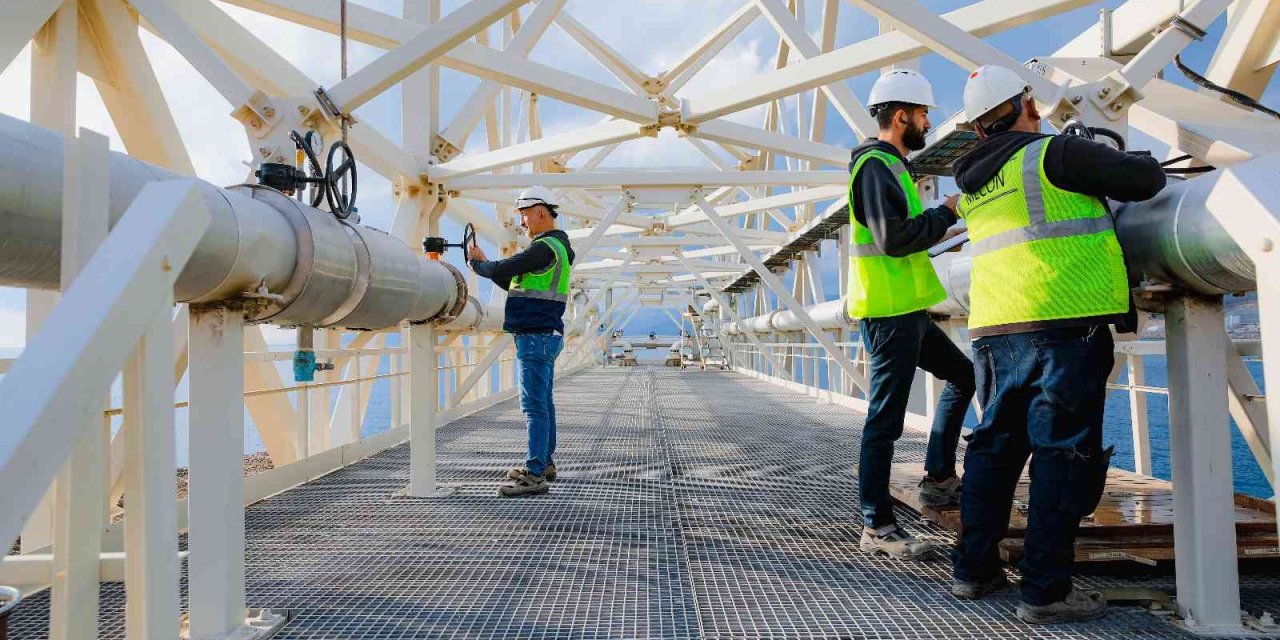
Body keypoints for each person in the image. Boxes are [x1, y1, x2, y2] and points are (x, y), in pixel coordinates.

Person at [948, 65, 1164, 622]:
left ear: (976, 130)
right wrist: (1133, 157)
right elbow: (1146, 181)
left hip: (996, 328)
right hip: (1063, 323)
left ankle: (975, 570)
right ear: (1028, 106)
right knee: (1061, 455)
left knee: (995, 450)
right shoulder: (1052, 156)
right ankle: (1045, 591)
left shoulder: (971, 183)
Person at [847, 69, 976, 560]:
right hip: (889, 315)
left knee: (964, 374)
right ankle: (877, 526)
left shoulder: (892, 167)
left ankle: (940, 479)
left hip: (909, 312)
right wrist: (946, 212)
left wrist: (944, 225)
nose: (926, 123)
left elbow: (904, 237)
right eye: (923, 114)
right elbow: (893, 239)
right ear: (901, 115)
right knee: (885, 422)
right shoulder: (876, 167)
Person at [468, 186, 576, 497]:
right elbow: (513, 280)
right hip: (546, 334)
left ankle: (535, 473)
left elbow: (503, 269)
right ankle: (544, 463)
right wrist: (489, 268)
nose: (523, 223)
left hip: (535, 336)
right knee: (544, 403)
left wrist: (478, 265)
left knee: (534, 407)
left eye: (525, 215)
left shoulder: (544, 247)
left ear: (541, 213)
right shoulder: (559, 249)